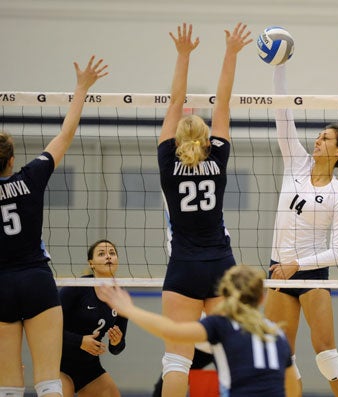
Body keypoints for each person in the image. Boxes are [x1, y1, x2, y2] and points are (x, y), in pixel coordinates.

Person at [0, 56, 107, 397]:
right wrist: (81, 88)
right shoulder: (31, 178)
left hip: (1, 284)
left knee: (8, 384)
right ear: (12, 159)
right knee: (48, 379)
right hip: (36, 280)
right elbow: (65, 134)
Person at [157, 22, 252, 396]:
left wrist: (183, 55)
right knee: (232, 357)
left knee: (176, 361)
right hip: (220, 265)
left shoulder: (167, 160)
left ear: (177, 138)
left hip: (182, 267)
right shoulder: (219, 155)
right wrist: (231, 52)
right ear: (207, 138)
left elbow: (175, 101)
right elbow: (223, 101)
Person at [264, 64, 338, 397]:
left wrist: (297, 266)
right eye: (318, 136)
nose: (317, 140)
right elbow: (282, 112)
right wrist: (280, 67)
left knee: (327, 356)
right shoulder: (295, 161)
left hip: (311, 274)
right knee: (280, 359)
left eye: (325, 139)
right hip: (278, 270)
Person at [97, 265, 297, 397]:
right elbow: (292, 390)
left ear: (224, 295)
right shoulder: (277, 334)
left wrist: (129, 309)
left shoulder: (222, 324)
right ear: (262, 298)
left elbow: (172, 331)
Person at [59, 239, 128, 396]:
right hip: (59, 364)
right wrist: (80, 341)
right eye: (101, 254)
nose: (108, 257)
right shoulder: (76, 288)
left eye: (112, 253)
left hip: (89, 368)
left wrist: (116, 342)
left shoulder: (120, 296)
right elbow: (46, 329)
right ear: (91, 263)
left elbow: (117, 348)